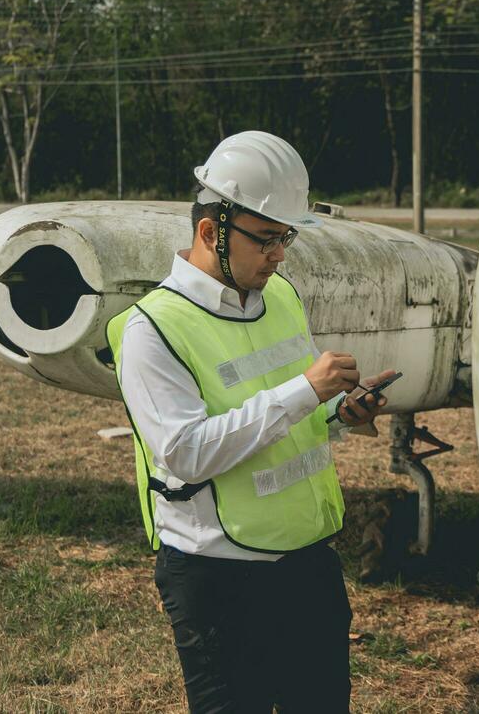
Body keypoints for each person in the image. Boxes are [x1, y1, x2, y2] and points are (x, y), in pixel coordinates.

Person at [106, 130, 392, 713]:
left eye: (285, 238)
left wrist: (339, 410)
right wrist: (306, 389)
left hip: (308, 564)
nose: (279, 254)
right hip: (219, 581)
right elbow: (184, 452)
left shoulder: (280, 296)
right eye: (266, 239)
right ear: (211, 231)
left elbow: (288, 417)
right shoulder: (151, 331)